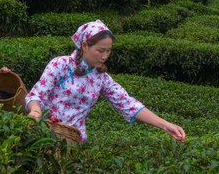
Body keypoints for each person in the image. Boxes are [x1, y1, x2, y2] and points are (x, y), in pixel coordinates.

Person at [25, 19, 186, 143]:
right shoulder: (61, 64)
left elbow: (128, 103)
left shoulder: (101, 78)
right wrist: (35, 111)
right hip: (45, 133)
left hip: (74, 141)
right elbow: (37, 94)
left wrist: (165, 125)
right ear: (84, 45)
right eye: (101, 50)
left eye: (108, 51)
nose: (105, 56)